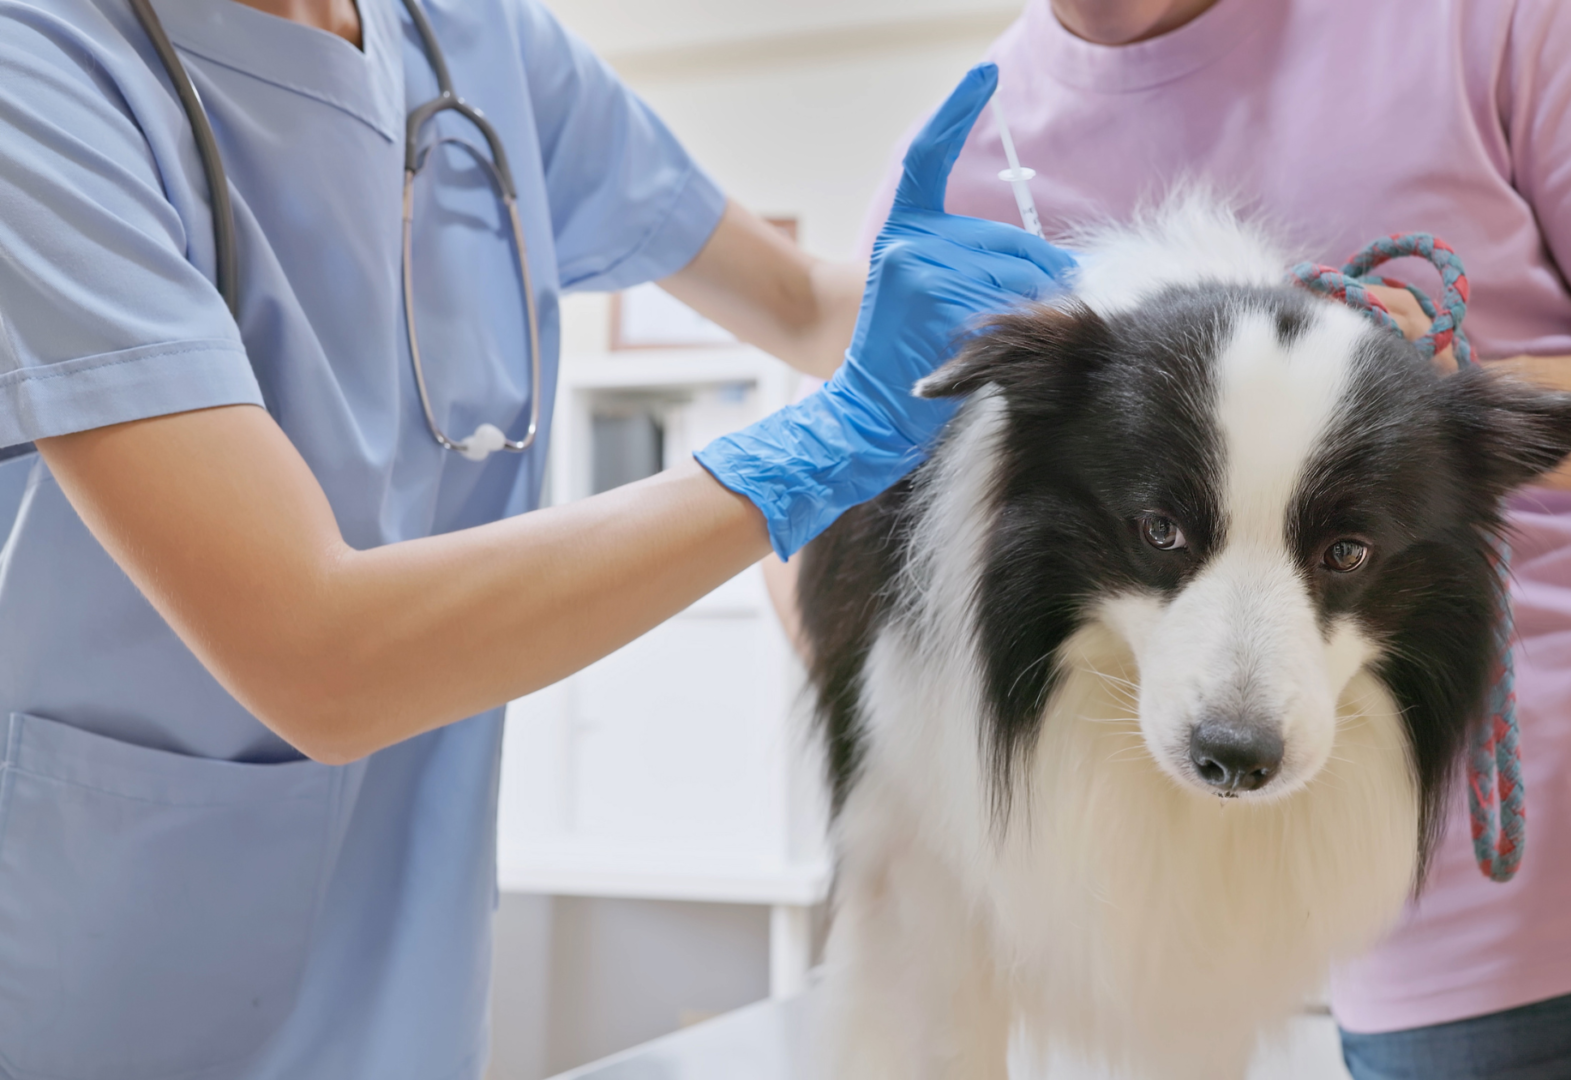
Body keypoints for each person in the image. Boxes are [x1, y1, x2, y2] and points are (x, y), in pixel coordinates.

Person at [840, 0, 1571, 1074]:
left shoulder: (1490, 17)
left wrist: (1449, 412)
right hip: (1440, 960)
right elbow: (861, 518)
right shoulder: (965, 155)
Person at [0, 0, 1072, 1069]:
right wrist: (820, 447)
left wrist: (1093, 316)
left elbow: (796, 301)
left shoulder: (472, 39)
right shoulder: (40, 68)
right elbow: (313, 654)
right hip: (113, 992)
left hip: (406, 979)